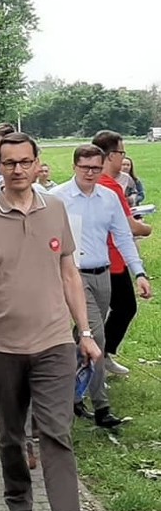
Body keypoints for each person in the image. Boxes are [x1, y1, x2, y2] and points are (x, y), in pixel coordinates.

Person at [0, 132, 102, 511]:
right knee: (10, 436)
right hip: (1, 345)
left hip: (54, 341)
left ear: (38, 163)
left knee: (56, 433)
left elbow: (68, 272)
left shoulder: (55, 208)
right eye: (10, 163)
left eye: (26, 162)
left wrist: (86, 332)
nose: (18, 170)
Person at [51, 144, 152, 428]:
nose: (91, 173)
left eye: (96, 168)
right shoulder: (57, 198)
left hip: (102, 274)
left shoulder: (108, 198)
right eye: (85, 168)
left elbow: (122, 237)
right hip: (73, 275)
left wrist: (139, 273)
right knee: (95, 336)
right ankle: (102, 405)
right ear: (75, 167)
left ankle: (67, 393)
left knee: (79, 338)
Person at [92, 130, 153, 378]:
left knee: (100, 313)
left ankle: (98, 357)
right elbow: (129, 226)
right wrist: (146, 228)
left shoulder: (93, 182)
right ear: (111, 155)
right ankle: (97, 358)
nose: (123, 159)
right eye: (122, 153)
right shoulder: (109, 186)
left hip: (101, 258)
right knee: (123, 308)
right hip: (109, 260)